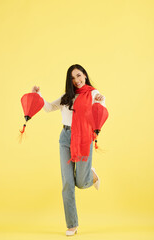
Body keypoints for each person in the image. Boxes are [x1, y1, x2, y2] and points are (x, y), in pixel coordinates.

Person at [32, 64, 106, 236]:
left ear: (85, 75)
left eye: (79, 76)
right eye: (73, 78)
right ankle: (72, 224)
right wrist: (38, 95)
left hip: (83, 138)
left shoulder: (94, 94)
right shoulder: (67, 96)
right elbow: (49, 107)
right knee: (67, 182)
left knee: (81, 182)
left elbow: (100, 113)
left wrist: (101, 102)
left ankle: (91, 175)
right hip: (65, 138)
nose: (77, 80)